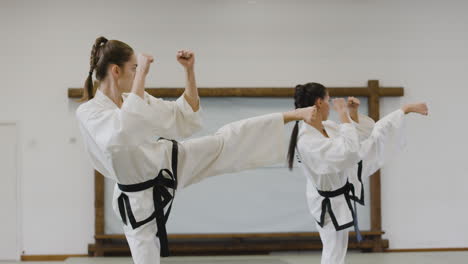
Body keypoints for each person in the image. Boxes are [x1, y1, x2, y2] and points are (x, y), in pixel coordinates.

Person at [76, 36, 315, 264]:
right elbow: (123, 133)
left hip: (167, 163)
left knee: (225, 141)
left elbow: (181, 114)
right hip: (135, 195)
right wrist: (143, 75)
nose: (137, 74)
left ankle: (291, 116)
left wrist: (189, 71)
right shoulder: (89, 112)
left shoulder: (134, 98)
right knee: (146, 256)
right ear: (116, 71)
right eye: (133, 69)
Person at [287, 82, 428, 264]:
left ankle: (404, 110)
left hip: (338, 186)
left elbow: (355, 137)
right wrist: (344, 115)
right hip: (328, 202)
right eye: (328, 100)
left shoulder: (325, 126)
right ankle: (404, 110)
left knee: (375, 138)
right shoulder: (306, 139)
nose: (331, 105)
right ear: (319, 102)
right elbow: (349, 151)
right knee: (333, 252)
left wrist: (351, 115)